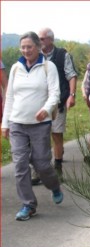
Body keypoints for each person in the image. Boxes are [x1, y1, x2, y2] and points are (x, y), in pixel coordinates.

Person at [1, 31, 63, 221]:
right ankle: (28, 204)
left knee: (42, 164)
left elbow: (55, 93)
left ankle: (54, 185)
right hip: (17, 123)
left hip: (39, 124)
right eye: (23, 47)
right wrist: (5, 123)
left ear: (38, 47)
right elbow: (10, 96)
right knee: (20, 164)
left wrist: (46, 109)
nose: (26, 50)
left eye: (29, 46)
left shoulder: (48, 67)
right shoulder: (15, 68)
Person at [30, 27, 77, 184]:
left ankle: (57, 169)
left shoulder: (63, 55)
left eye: (42, 39)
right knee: (38, 138)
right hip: (38, 102)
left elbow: (71, 75)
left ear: (51, 39)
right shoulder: (34, 56)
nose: (39, 41)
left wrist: (71, 95)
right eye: (38, 38)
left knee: (56, 134)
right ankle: (38, 171)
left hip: (57, 102)